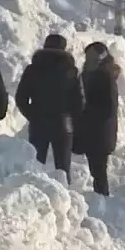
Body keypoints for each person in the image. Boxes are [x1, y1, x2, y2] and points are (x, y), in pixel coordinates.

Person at [15, 33, 84, 182]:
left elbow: (21, 98)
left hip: (39, 121)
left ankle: (35, 191)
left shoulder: (33, 69)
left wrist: (32, 115)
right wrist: (72, 120)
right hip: (63, 123)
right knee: (63, 167)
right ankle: (66, 197)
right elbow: (78, 102)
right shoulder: (71, 71)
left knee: (35, 163)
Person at [77, 41, 121, 197]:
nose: (88, 59)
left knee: (99, 171)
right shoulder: (89, 74)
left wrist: (86, 113)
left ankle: (103, 201)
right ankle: (101, 199)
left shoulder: (105, 76)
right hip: (92, 130)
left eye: (92, 56)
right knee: (96, 169)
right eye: (87, 56)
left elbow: (109, 107)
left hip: (100, 132)